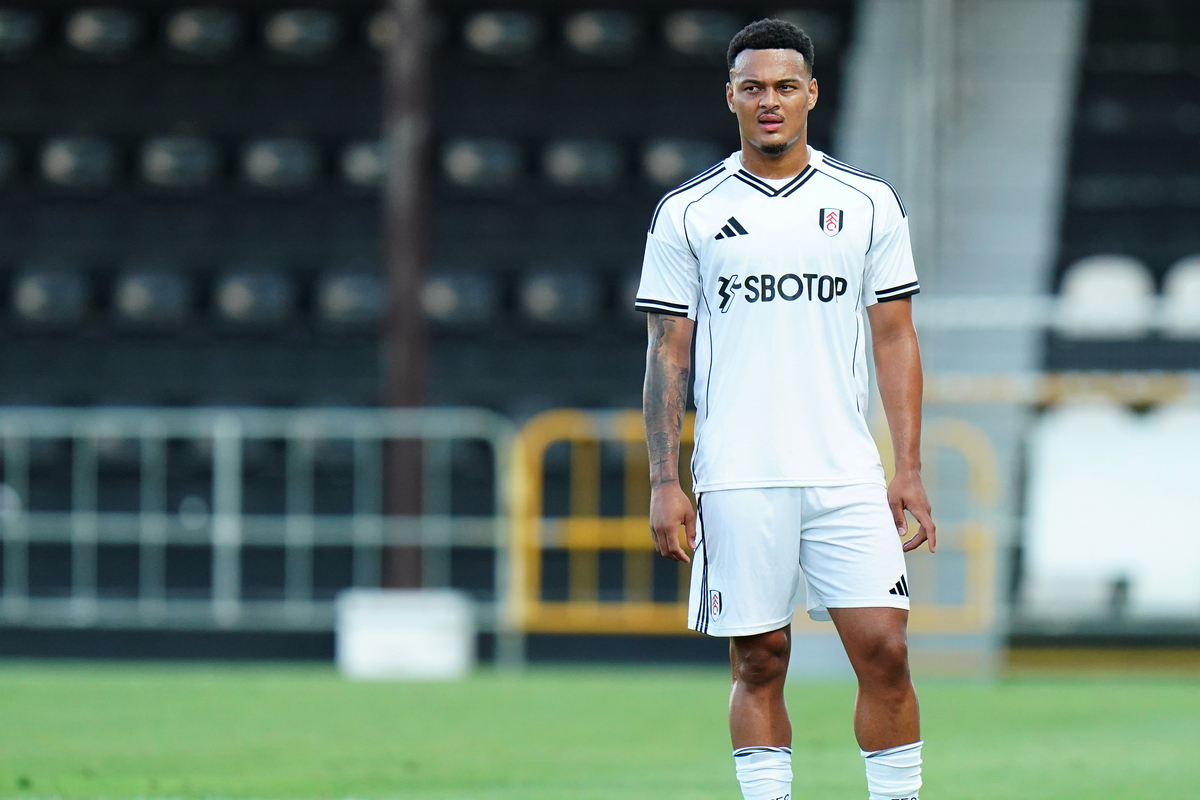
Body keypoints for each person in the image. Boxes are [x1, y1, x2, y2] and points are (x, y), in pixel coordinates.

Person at [636, 18, 936, 800]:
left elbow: (896, 339)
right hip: (739, 472)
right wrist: (665, 478)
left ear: (811, 93)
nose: (770, 102)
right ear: (731, 96)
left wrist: (907, 467)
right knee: (760, 657)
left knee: (886, 651)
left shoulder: (867, 202)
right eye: (754, 88)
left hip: (843, 470)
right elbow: (667, 351)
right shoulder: (688, 212)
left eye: (785, 86)